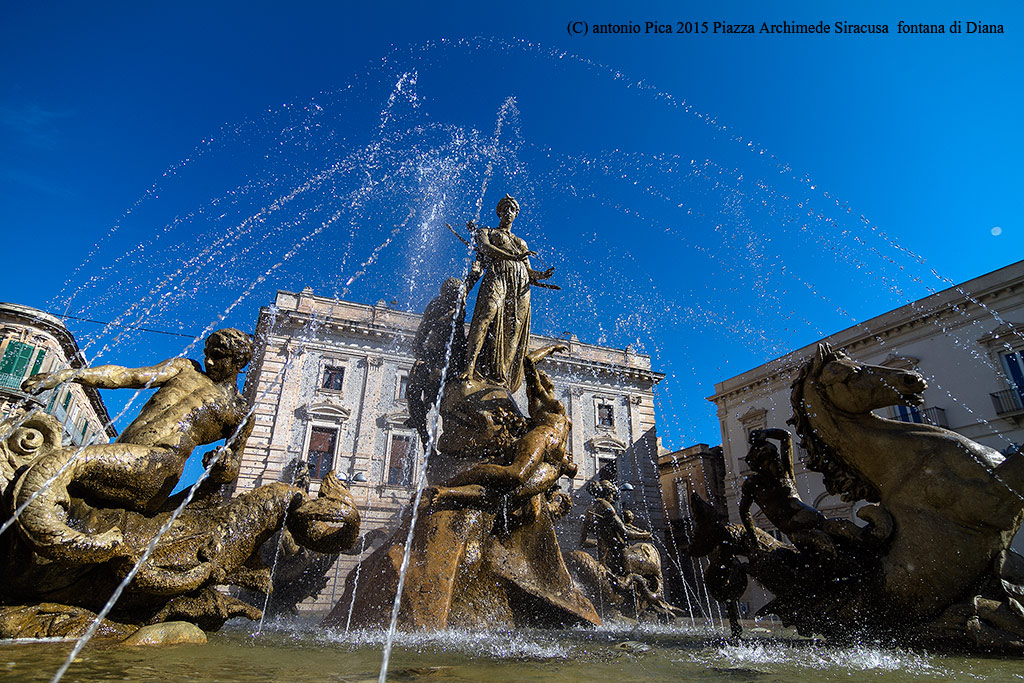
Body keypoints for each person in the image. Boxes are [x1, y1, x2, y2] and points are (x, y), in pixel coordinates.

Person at [22, 328, 254, 514]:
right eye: (208, 353)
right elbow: (126, 375)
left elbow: (232, 470)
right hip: (122, 451)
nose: (209, 361)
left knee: (61, 462)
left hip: (160, 466)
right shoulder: (185, 368)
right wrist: (70, 375)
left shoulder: (239, 411)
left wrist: (223, 464)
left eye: (218, 357)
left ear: (239, 362)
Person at [428, 343, 575, 510]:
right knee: (516, 475)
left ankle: (454, 490)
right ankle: (452, 484)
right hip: (542, 439)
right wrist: (551, 349)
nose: (546, 375)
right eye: (541, 375)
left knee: (517, 497)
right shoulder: (541, 398)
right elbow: (529, 361)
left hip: (553, 454)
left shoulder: (551, 402)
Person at [460, 194, 554, 392]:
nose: (509, 213)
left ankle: (500, 377)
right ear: (499, 212)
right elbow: (486, 248)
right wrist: (513, 256)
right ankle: (468, 368)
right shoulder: (486, 231)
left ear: (516, 214)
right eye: (505, 209)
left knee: (513, 330)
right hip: (497, 275)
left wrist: (542, 275)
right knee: (485, 316)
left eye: (513, 210)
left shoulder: (521, 243)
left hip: (520, 284)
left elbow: (528, 271)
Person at [738, 428, 834, 557]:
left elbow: (785, 437)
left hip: (819, 521)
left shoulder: (786, 474)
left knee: (843, 528)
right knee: (825, 543)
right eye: (770, 459)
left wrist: (766, 433)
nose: (777, 463)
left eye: (776, 457)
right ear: (759, 465)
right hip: (799, 532)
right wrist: (753, 539)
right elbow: (743, 511)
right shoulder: (753, 485)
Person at [405, 277, 466, 445]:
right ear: (444, 295)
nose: (456, 298)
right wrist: (423, 357)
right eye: (452, 295)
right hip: (433, 356)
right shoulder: (434, 307)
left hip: (455, 359)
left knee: (435, 379)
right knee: (411, 389)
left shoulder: (460, 306)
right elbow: (419, 338)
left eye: (458, 295)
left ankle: (427, 403)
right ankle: (424, 438)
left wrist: (476, 272)